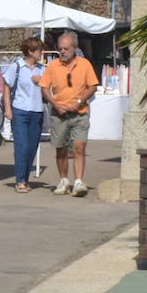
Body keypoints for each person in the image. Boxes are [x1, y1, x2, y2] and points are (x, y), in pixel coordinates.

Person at [38, 31, 99, 196]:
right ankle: (64, 180)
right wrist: (55, 104)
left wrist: (79, 101)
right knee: (61, 149)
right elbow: (44, 87)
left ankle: (78, 181)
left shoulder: (85, 64)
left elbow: (93, 86)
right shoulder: (53, 65)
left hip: (80, 113)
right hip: (59, 113)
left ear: (74, 48)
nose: (62, 52)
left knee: (79, 147)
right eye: (60, 49)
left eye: (66, 49)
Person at [1, 37, 48, 193]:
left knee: (32, 147)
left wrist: (42, 82)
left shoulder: (42, 69)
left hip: (37, 111)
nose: (42, 53)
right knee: (22, 146)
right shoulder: (17, 67)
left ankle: (24, 178)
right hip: (19, 110)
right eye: (39, 50)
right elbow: (6, 87)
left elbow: (50, 88)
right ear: (30, 51)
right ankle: (20, 180)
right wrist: (8, 109)